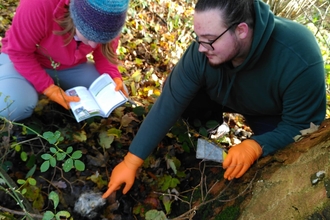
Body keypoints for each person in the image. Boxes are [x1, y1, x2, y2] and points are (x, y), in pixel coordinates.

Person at [102, 0, 326, 198]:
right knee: (186, 104)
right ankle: (204, 131)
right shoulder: (203, 50)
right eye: (198, 38)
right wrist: (131, 162)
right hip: (220, 96)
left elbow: (304, 125)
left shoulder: (298, 55)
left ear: (241, 30)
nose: (200, 48)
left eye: (209, 40)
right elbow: (170, 100)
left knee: (273, 161)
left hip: (270, 112)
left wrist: (258, 145)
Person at [0, 0, 129, 121]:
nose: (94, 46)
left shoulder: (112, 10)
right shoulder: (39, 5)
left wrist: (114, 75)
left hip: (67, 66)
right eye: (89, 37)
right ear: (76, 18)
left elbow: (104, 54)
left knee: (114, 94)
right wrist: (48, 88)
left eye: (103, 40)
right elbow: (19, 52)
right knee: (13, 105)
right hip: (20, 62)